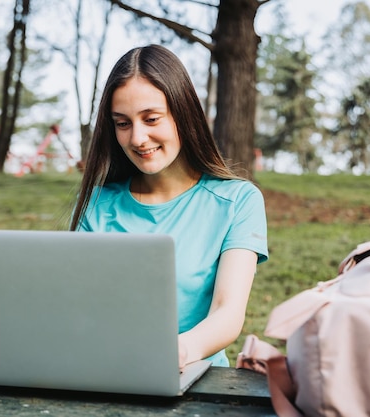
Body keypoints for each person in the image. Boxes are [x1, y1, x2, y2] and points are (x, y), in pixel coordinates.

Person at [70, 44, 268, 368]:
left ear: (183, 113)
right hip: (106, 372)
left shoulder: (238, 201)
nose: (137, 138)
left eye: (151, 119)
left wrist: (180, 351)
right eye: (122, 123)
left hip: (195, 379)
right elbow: (76, 304)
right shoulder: (97, 203)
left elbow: (227, 312)